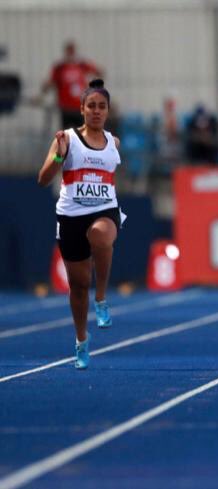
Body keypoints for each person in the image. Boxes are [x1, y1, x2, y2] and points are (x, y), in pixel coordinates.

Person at [36, 79, 124, 369]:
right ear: (82, 109)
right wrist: (59, 155)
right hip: (71, 216)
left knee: (102, 236)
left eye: (102, 107)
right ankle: (81, 339)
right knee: (78, 284)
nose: (97, 111)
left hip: (105, 209)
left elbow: (109, 173)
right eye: (92, 106)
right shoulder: (67, 138)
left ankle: (102, 299)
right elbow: (43, 179)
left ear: (107, 111)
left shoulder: (114, 143)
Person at [39, 40, 103, 130]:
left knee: (82, 132)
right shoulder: (60, 68)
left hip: (80, 106)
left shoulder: (81, 65)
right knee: (67, 132)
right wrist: (44, 89)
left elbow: (99, 72)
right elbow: (51, 82)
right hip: (66, 107)